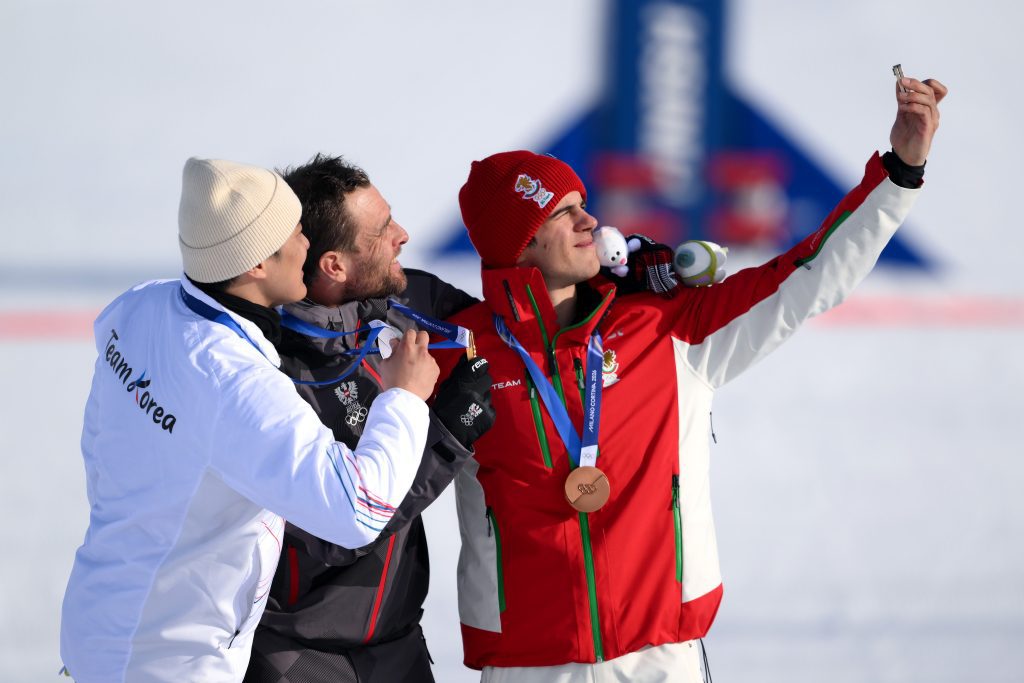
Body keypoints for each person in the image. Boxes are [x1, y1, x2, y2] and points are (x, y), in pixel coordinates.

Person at [439, 74, 947, 682]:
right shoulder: (456, 353)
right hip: (530, 667)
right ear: (516, 240)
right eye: (562, 211)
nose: (589, 220)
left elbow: (807, 275)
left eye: (582, 204)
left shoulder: (667, 326)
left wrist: (899, 172)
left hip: (661, 660)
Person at [59, 158, 439, 683]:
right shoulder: (236, 383)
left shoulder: (140, 307)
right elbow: (358, 510)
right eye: (296, 234)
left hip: (100, 624)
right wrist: (404, 398)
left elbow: (105, 440)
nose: (308, 246)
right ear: (257, 264)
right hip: (173, 661)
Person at [243, 154, 495, 683]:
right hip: (302, 659)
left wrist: (618, 279)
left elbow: (511, 319)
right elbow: (339, 531)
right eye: (383, 230)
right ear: (334, 265)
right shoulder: (272, 372)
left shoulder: (395, 295)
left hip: (399, 645)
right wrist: (449, 431)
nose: (403, 234)